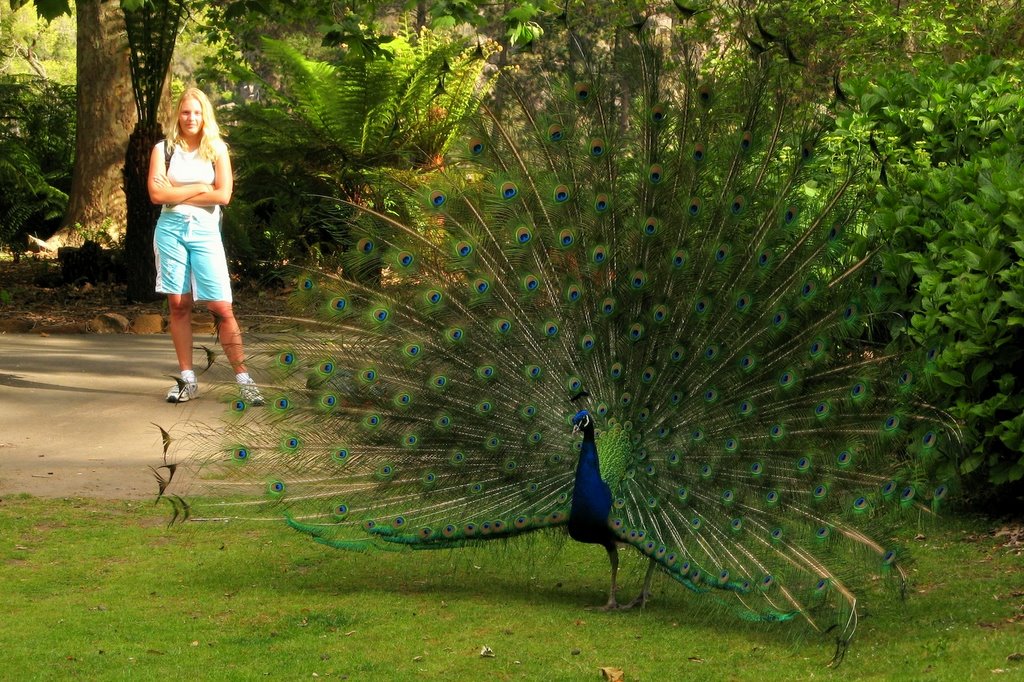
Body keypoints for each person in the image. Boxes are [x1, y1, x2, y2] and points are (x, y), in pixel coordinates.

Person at [147, 87, 262, 405]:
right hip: (170, 231)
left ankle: (243, 378)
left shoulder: (217, 149)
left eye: (196, 112)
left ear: (205, 115)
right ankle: (187, 379)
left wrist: (179, 188)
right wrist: (201, 185)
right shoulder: (164, 149)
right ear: (178, 115)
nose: (191, 118)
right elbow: (157, 196)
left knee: (221, 307)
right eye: (185, 112)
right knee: (178, 305)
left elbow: (223, 195)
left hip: (205, 232)